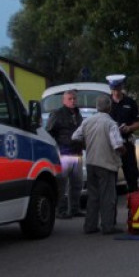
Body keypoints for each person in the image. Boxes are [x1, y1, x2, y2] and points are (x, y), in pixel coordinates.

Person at [72, 95, 126, 235]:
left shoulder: (88, 121)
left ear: (97, 107)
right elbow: (117, 145)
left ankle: (90, 225)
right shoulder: (111, 124)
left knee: (93, 196)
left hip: (91, 163)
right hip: (106, 164)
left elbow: (75, 137)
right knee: (108, 196)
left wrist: (86, 145)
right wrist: (124, 151)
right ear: (109, 107)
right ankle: (108, 226)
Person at [45, 89, 84, 218]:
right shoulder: (57, 114)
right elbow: (48, 132)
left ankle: (75, 208)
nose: (73, 101)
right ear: (64, 101)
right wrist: (57, 146)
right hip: (63, 153)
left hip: (77, 153)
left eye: (74, 99)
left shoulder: (78, 114)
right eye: (70, 99)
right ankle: (60, 210)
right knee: (62, 185)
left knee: (77, 184)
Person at [106, 74, 139, 191]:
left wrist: (129, 128)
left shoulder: (130, 102)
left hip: (126, 143)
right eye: (114, 89)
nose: (116, 92)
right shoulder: (107, 103)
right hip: (111, 146)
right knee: (111, 179)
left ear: (122, 87)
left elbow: (138, 123)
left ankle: (134, 205)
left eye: (118, 89)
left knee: (132, 176)